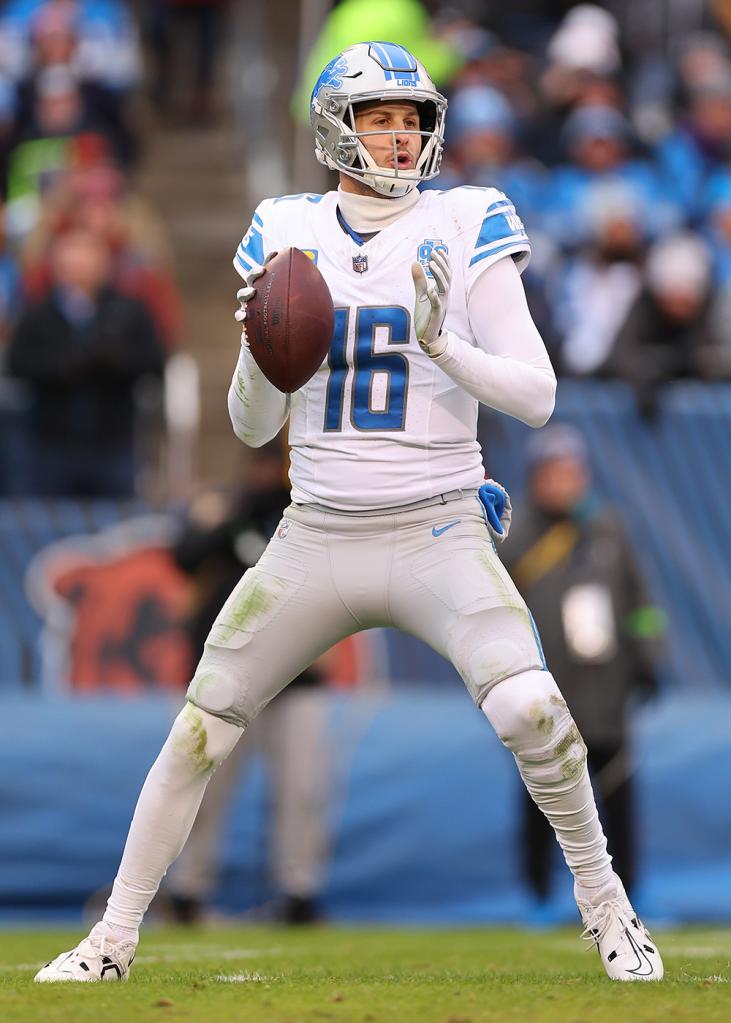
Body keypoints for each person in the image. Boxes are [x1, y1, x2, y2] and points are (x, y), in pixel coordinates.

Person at [36, 41, 663, 983]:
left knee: (535, 707)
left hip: (438, 523)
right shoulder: (287, 228)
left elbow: (535, 394)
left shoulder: (466, 216)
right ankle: (111, 938)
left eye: (412, 117)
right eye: (381, 116)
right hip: (317, 529)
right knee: (201, 725)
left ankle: (608, 910)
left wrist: (445, 346)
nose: (403, 134)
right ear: (337, 128)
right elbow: (251, 425)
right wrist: (258, 348)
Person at [164, 443, 331, 926]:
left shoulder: (311, 510)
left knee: (301, 790)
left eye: (272, 462)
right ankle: (189, 889)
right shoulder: (230, 512)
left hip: (298, 677)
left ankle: (299, 891)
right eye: (258, 463)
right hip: (229, 676)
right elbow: (183, 557)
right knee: (204, 783)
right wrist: (222, 517)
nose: (265, 472)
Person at [501, 424, 663, 916]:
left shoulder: (608, 529)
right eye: (554, 472)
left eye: (571, 471)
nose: (564, 481)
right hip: (546, 697)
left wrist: (649, 657)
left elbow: (640, 601)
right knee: (541, 796)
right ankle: (537, 896)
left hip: (606, 692)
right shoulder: (517, 537)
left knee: (617, 795)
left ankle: (629, 896)